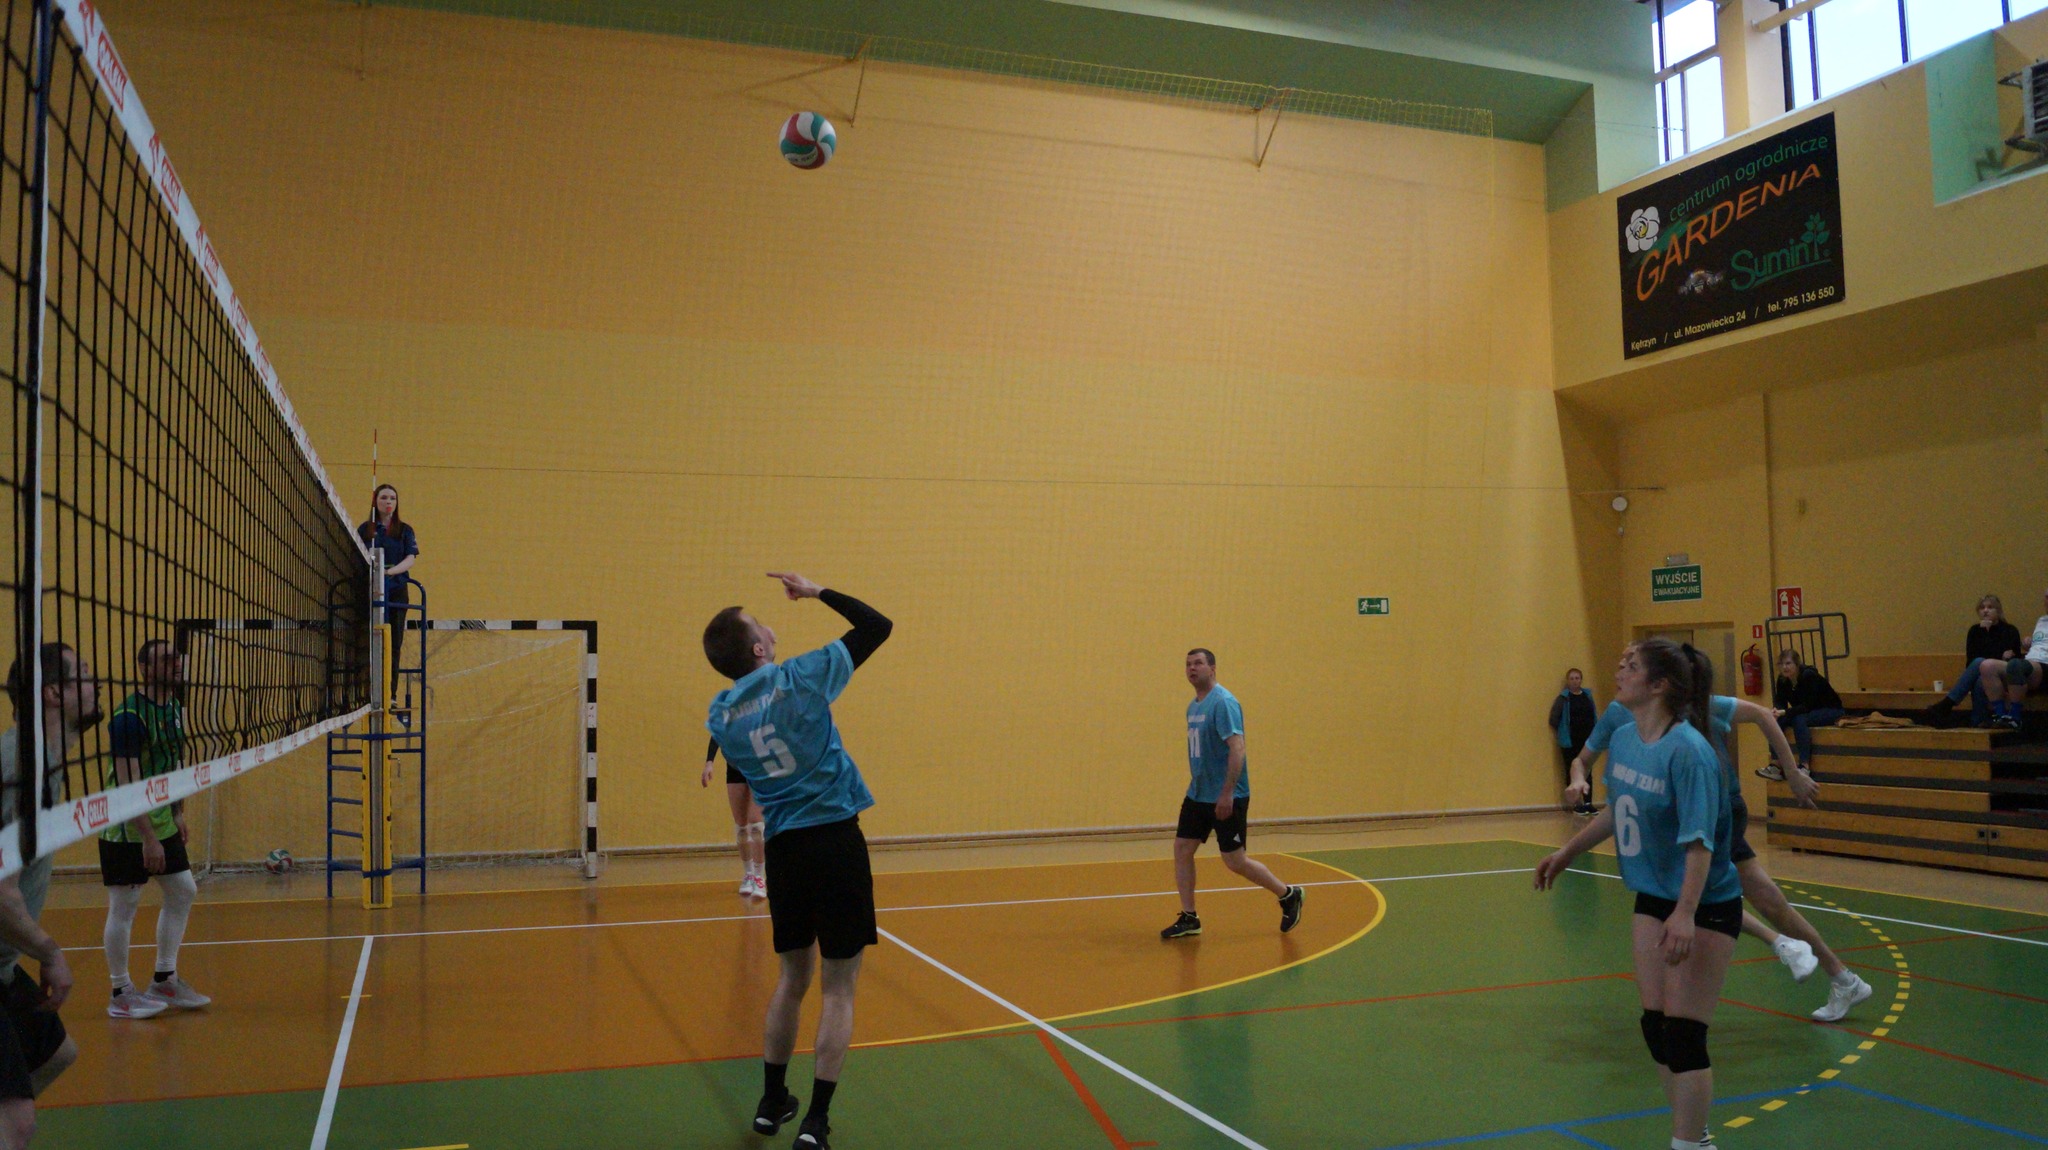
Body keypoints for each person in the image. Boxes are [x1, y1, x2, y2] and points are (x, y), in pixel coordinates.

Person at [1567, 648, 1873, 1022]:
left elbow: (1762, 715)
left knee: (1701, 894)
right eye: (1622, 662)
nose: (1622, 669)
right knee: (1765, 899)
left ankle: (1788, 948)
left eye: (1632, 664)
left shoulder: (1699, 706)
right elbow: (1582, 760)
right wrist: (1578, 781)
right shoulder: (1620, 714)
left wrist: (1792, 772)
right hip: (1673, 817)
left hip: (1716, 811)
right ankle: (1837, 974)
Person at [704, 573, 892, 1150]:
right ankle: (815, 1121)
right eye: (759, 624)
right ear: (760, 648)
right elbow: (877, 626)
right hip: (833, 840)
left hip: (783, 851)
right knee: (839, 988)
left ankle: (770, 1101)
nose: (768, 625)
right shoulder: (802, 677)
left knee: (791, 980)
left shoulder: (721, 715)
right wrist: (815, 592)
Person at [1536, 639, 1738, 1150]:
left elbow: (1700, 843)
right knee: (1657, 1029)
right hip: (1651, 895)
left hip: (1704, 903)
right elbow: (1618, 810)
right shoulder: (1625, 738)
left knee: (1685, 1035)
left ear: (1659, 685)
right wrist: (1568, 852)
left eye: (1631, 666)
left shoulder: (1690, 751)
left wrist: (1686, 913)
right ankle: (1693, 1135)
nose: (1619, 672)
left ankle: (1688, 1144)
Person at [0, 645, 89, 1147]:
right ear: (54, 693)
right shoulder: (23, 766)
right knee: (17, 1122)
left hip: (3, 966)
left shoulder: (45, 762)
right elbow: (0, 891)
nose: (97, 686)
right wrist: (50, 953)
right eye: (85, 676)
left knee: (56, 1054)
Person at [1159, 649, 1303, 940]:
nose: (1192, 668)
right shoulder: (1193, 707)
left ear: (1212, 668)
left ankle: (1288, 894)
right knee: (1182, 848)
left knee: (1234, 861)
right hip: (1198, 794)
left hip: (1226, 796)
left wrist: (1227, 794)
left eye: (1198, 663)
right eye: (1188, 664)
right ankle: (1189, 917)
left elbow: (1237, 749)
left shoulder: (1223, 702)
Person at [99, 639, 209, 1019]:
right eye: (165, 659)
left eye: (177, 657)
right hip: (127, 825)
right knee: (124, 904)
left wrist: (176, 812)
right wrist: (148, 837)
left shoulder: (175, 707)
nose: (176, 663)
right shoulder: (129, 718)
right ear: (145, 669)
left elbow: (173, 764)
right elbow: (128, 783)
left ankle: (164, 979)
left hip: (161, 816)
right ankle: (120, 992)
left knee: (183, 890)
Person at [356, 484, 419, 699]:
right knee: (368, 640)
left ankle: (390, 693)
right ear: (376, 501)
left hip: (396, 590)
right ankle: (366, 692)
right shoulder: (366, 530)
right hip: (370, 590)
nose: (389, 502)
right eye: (384, 497)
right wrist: (373, 573)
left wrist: (389, 572)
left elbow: (410, 558)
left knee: (393, 642)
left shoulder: (405, 530)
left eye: (392, 498)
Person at [1926, 594, 2022, 727]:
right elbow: (1970, 661)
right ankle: (1978, 721)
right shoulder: (1975, 631)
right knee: (1979, 678)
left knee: (1980, 662)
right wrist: (1987, 637)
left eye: (1990, 607)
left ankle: (1948, 703)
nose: (1986, 610)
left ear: (1998, 610)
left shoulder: (2010, 631)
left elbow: (2014, 660)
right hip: (1982, 674)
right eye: (1982, 608)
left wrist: (1990, 637)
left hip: (2003, 676)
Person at [701, 737, 766, 898]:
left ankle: (759, 877)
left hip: (758, 768)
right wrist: (709, 762)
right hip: (735, 768)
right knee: (741, 827)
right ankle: (749, 874)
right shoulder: (727, 721)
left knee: (756, 825)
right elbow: (717, 733)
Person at [1978, 590, 2048, 730]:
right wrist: (2029, 643)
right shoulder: (2042, 620)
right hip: (2032, 661)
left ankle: (2015, 717)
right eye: (2046, 597)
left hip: (2045, 665)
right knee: (1986, 665)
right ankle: (2000, 715)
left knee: (2016, 665)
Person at [1768, 649, 1843, 771]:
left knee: (1799, 719)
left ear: (1797, 664)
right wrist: (1777, 711)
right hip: (1806, 710)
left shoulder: (1809, 676)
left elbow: (1808, 705)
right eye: (1781, 664)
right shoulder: (1782, 680)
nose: (1784, 667)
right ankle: (1776, 763)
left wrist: (1786, 712)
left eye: (1788, 663)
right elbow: (1780, 700)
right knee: (1775, 720)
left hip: (1830, 709)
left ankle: (1804, 765)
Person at [1548, 669, 1599, 815]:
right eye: (1572, 678)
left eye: (1577, 678)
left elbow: (1593, 714)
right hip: (1570, 742)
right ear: (1567, 681)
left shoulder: (1587, 696)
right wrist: (1563, 732)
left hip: (1587, 741)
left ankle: (1588, 802)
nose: (1575, 681)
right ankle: (1576, 804)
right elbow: (1553, 719)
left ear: (1581, 680)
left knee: (1587, 771)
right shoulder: (1563, 698)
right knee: (1571, 771)